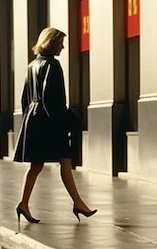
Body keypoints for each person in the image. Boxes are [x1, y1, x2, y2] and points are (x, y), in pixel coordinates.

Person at [13, 27, 96, 223]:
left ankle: (24, 204)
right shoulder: (52, 65)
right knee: (64, 161)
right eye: (60, 43)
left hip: (35, 120)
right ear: (50, 43)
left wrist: (30, 119)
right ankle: (77, 204)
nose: (63, 47)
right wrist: (66, 122)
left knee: (37, 164)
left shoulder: (32, 65)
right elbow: (54, 100)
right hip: (51, 122)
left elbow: (24, 99)